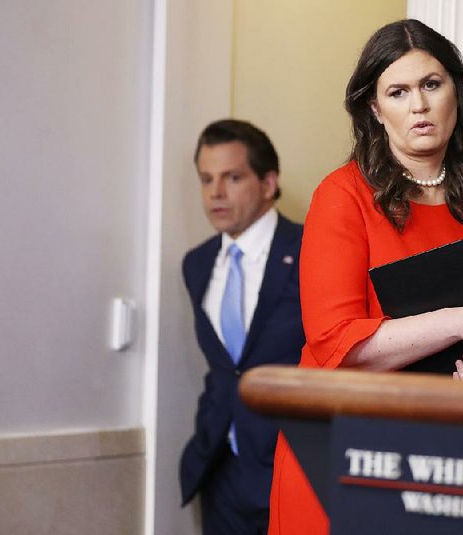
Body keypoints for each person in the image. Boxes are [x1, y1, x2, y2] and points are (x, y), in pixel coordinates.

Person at [268, 19, 463, 534]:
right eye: (398, 91)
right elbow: (337, 346)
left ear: (454, 91)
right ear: (375, 109)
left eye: (431, 85)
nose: (418, 105)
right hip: (345, 446)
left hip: (449, 446)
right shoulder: (342, 196)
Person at [179, 119, 305, 535]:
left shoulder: (311, 249)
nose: (215, 193)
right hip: (219, 467)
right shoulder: (196, 264)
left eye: (232, 177)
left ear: (268, 184)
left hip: (293, 464)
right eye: (206, 179)